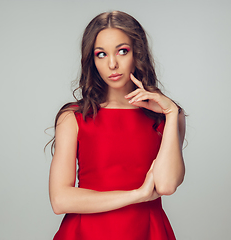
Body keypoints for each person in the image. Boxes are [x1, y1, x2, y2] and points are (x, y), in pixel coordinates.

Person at [48, 10, 186, 240]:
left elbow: (167, 185)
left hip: (146, 231)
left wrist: (171, 113)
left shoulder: (167, 115)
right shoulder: (74, 117)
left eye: (122, 51)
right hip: (86, 232)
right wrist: (137, 195)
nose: (112, 64)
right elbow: (60, 200)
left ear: (137, 53)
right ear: (92, 60)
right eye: (101, 54)